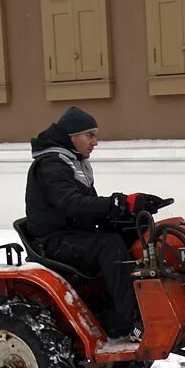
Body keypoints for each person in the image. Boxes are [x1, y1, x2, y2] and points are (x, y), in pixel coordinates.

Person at [25, 106, 162, 340]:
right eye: (90, 135)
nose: (95, 141)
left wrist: (131, 208)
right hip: (54, 240)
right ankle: (133, 322)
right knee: (110, 245)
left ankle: (147, 307)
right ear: (72, 136)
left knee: (131, 233)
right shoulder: (52, 165)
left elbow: (90, 207)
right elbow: (71, 204)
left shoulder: (74, 162)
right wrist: (118, 203)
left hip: (74, 232)